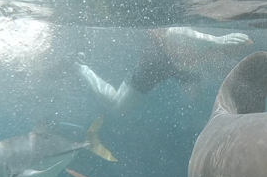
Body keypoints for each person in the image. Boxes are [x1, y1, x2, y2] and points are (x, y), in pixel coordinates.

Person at [75, 27, 251, 115]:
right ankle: (79, 65)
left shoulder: (223, 56)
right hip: (158, 60)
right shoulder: (215, 42)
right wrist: (216, 40)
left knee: (193, 102)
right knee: (117, 105)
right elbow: (173, 32)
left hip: (179, 65)